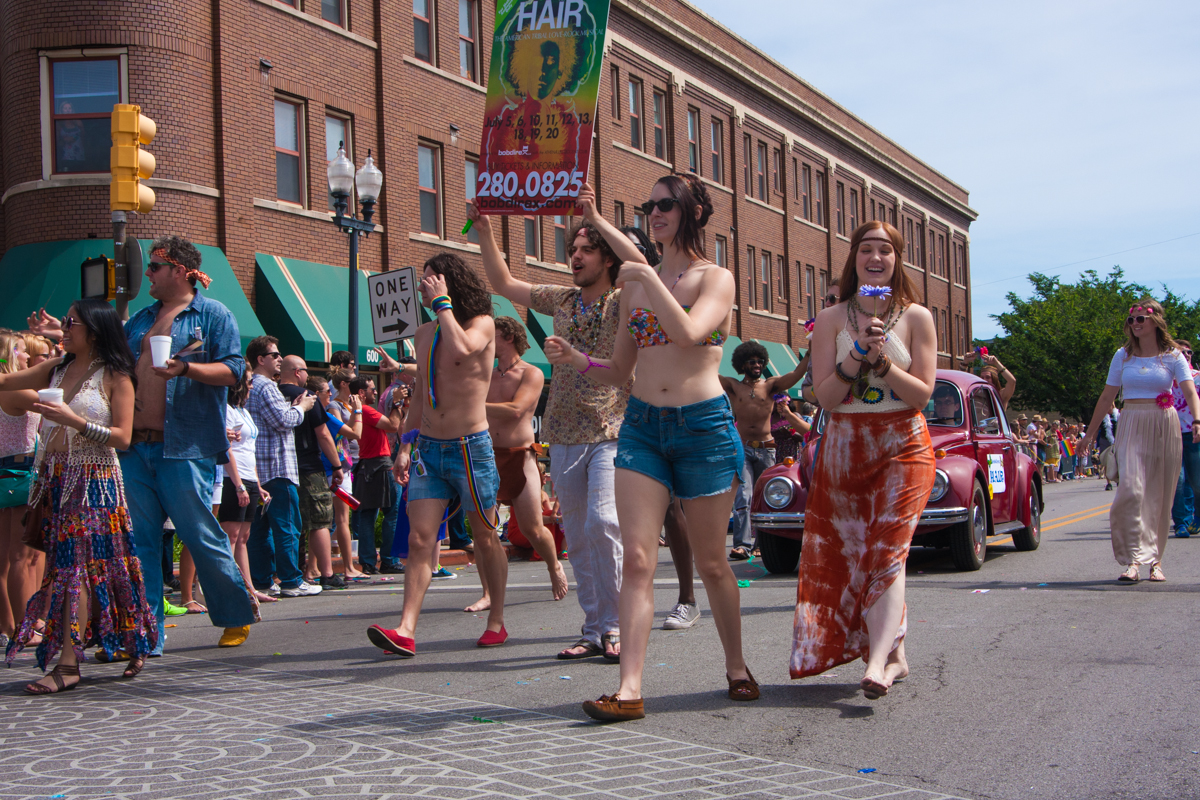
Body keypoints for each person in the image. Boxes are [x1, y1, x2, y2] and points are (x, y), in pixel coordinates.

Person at [544, 174, 756, 721]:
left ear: (692, 212)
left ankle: (736, 665)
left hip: (703, 427)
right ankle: (629, 687)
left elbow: (687, 332)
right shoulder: (635, 284)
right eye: (650, 205)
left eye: (666, 204)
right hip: (641, 428)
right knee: (637, 559)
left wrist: (641, 269)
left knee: (712, 562)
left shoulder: (717, 279)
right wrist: (576, 360)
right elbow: (618, 370)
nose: (656, 211)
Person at [27, 236, 259, 652]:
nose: (147, 274)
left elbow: (234, 370)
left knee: (199, 533)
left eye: (155, 267)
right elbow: (105, 353)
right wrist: (61, 333)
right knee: (139, 544)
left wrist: (185, 367)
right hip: (133, 447)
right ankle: (145, 634)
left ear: (180, 271)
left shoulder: (212, 315)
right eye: (149, 266)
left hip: (185, 447)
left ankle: (234, 614)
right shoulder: (139, 320)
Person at [471, 200, 627, 662]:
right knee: (577, 534)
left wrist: (597, 218)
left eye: (587, 249)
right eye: (573, 248)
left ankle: (617, 625)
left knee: (604, 522)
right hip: (562, 432)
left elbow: (642, 266)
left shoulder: (624, 299)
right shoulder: (560, 298)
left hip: (612, 428)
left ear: (607, 259)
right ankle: (594, 626)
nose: (575, 256)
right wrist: (484, 232)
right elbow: (503, 283)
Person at [794, 220, 937, 701]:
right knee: (857, 556)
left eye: (886, 251)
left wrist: (885, 364)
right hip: (847, 443)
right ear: (853, 258)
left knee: (888, 552)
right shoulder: (832, 318)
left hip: (904, 444)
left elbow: (920, 395)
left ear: (897, 261)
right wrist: (855, 355)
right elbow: (828, 399)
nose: (875, 258)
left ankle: (876, 663)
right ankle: (895, 655)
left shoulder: (917, 317)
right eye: (866, 250)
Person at [1, 299, 156, 691]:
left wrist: (75, 421)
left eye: (72, 323)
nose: (64, 329)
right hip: (55, 481)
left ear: (94, 329)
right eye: (65, 322)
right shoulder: (57, 368)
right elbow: (5, 386)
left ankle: (68, 665)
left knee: (77, 571)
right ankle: (130, 639)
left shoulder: (116, 376)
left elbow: (122, 437)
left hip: (95, 482)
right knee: (80, 568)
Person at [366, 253, 505, 657]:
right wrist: (404, 445)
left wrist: (444, 304)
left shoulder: (482, 324)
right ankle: (406, 628)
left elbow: (462, 351)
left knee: (483, 535)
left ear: (452, 283)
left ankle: (496, 618)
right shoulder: (425, 333)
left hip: (470, 447)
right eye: (424, 280)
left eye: (433, 279)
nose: (425, 286)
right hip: (430, 448)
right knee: (420, 537)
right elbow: (423, 392)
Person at [1080, 299, 1199, 583]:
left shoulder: (1172, 356)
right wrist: (1089, 434)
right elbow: (1107, 396)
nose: (1135, 325)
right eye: (1131, 320)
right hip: (1132, 421)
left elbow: (1190, 391)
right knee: (1131, 490)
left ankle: (1155, 561)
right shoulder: (1122, 356)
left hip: (1163, 424)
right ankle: (1133, 559)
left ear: (1155, 321)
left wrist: (1197, 419)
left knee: (1159, 495)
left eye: (1141, 319)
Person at [484, 316, 568, 603]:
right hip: (487, 456)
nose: (485, 340)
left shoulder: (531, 373)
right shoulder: (486, 374)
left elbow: (516, 410)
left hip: (520, 457)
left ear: (507, 336)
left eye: (491, 335)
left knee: (533, 528)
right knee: (484, 532)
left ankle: (554, 564)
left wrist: (472, 404)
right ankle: (487, 592)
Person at [244, 335, 322, 599]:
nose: (279, 359)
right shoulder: (266, 387)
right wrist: (302, 406)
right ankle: (291, 580)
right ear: (261, 359)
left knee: (259, 529)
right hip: (277, 468)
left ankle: (263, 580)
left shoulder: (248, 385)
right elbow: (283, 420)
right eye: (275, 355)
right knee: (287, 526)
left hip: (256, 471)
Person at [721, 341, 807, 559]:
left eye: (760, 361)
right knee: (744, 497)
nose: (757, 365)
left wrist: (811, 352)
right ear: (742, 364)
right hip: (742, 448)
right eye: (752, 361)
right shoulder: (733, 386)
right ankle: (742, 545)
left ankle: (761, 544)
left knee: (765, 500)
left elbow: (797, 373)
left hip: (767, 448)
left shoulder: (770, 385)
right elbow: (707, 373)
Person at [277, 357, 346, 590]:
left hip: (278, 468)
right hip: (308, 466)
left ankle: (288, 573)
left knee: (288, 522)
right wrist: (336, 466)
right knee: (319, 521)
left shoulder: (271, 394)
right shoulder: (307, 397)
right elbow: (324, 434)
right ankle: (326, 574)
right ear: (297, 372)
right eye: (305, 371)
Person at [0, 330, 43, 648]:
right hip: (20, 473)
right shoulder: (16, 392)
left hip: (5, 473)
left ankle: (10, 626)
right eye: (20, 350)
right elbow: (58, 400)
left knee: (6, 559)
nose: (26, 355)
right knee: (21, 556)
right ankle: (24, 629)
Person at [217, 369, 274, 603]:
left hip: (249, 478)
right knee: (230, 535)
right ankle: (226, 589)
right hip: (233, 478)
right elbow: (227, 448)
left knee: (244, 536)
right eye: (249, 382)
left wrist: (257, 485)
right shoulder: (226, 410)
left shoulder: (244, 411)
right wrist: (239, 485)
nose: (251, 386)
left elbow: (249, 450)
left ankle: (249, 588)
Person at [349, 375, 403, 574]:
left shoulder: (357, 411)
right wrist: (397, 403)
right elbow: (393, 425)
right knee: (392, 512)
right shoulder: (366, 410)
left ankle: (369, 562)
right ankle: (389, 559)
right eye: (372, 389)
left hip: (366, 466)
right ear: (361, 393)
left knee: (367, 515)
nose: (375, 392)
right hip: (380, 464)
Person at [325, 368, 366, 580]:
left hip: (347, 466)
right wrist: (357, 412)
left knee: (340, 519)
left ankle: (345, 565)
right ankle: (347, 566)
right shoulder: (334, 406)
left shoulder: (348, 405)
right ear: (343, 384)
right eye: (352, 382)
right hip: (338, 466)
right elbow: (346, 432)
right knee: (340, 519)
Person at [1170, 340, 1200, 537]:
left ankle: (1197, 517)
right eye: (1180, 353)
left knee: (1196, 481)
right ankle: (1181, 522)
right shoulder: (1166, 380)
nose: (1185, 355)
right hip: (1172, 434)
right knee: (1178, 481)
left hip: (1195, 435)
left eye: (1188, 352)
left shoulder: (1198, 377)